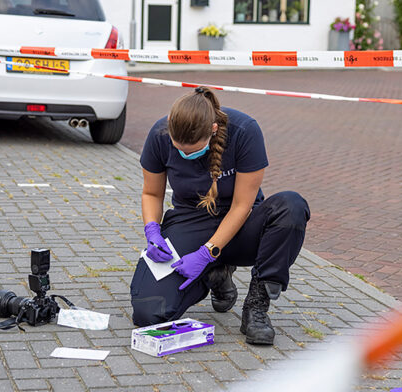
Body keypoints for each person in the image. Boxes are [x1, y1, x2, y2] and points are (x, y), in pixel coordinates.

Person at [129, 87, 310, 345]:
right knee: (148, 314)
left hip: (241, 224)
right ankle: (216, 275)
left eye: (193, 150)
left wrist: (206, 252)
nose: (186, 155)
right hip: (191, 221)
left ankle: (256, 307)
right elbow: (152, 194)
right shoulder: (159, 134)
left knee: (291, 207)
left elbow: (241, 206)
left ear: (213, 129)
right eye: (180, 150)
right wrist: (152, 230)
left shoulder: (245, 131)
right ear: (169, 126)